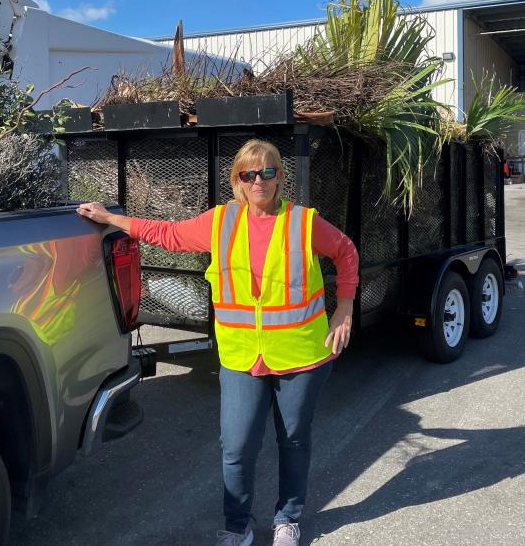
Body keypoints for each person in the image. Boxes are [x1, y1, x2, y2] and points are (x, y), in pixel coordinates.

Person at [76, 138, 359, 546]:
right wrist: (111, 219)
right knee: (237, 444)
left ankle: (288, 519)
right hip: (242, 355)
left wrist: (345, 306)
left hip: (301, 354)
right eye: (249, 173)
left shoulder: (303, 222)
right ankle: (237, 526)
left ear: (280, 177)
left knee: (294, 439)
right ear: (237, 181)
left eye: (268, 171)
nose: (259, 180)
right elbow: (168, 235)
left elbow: (346, 251)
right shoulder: (222, 222)